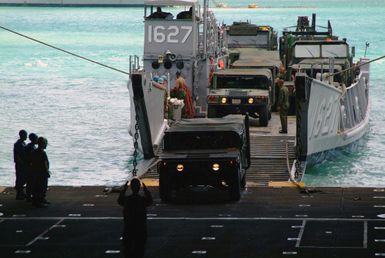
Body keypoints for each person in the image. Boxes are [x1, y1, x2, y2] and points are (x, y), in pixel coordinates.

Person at [118, 178, 153, 258]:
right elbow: (150, 201)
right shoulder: (142, 200)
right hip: (140, 228)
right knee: (140, 250)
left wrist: (124, 189)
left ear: (131, 188)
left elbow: (120, 201)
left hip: (129, 228)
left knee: (128, 250)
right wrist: (146, 190)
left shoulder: (127, 200)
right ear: (139, 187)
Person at [30, 137, 50, 207]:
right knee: (41, 187)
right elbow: (45, 163)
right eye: (45, 143)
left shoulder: (34, 152)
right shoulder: (42, 152)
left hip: (35, 172)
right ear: (43, 144)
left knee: (37, 187)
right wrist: (47, 171)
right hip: (42, 173)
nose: (46, 145)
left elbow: (31, 162)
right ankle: (38, 201)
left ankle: (40, 199)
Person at [13, 129, 28, 200]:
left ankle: (21, 193)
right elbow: (17, 156)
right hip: (20, 164)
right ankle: (19, 194)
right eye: (25, 135)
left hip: (22, 164)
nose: (26, 137)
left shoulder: (23, 143)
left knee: (22, 178)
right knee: (20, 179)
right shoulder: (18, 144)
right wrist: (22, 163)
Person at [25, 133, 38, 202]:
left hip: (31, 167)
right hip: (30, 167)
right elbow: (29, 158)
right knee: (30, 182)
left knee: (31, 182)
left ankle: (29, 196)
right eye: (36, 138)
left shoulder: (31, 146)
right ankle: (29, 196)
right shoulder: (30, 147)